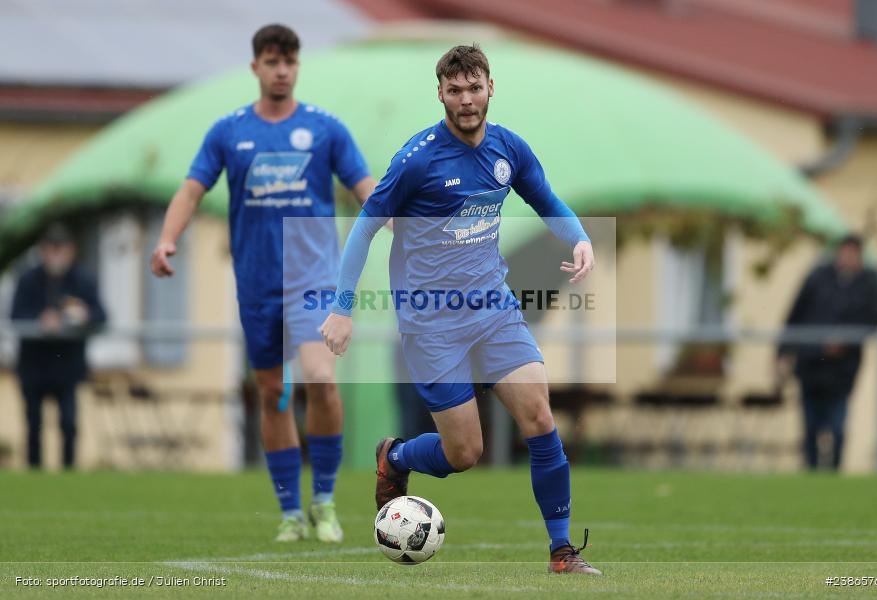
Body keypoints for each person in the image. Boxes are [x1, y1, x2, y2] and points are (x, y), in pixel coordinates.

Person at [320, 44, 602, 575]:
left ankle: (562, 552)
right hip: (432, 324)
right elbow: (364, 228)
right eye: (455, 91)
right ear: (441, 94)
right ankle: (395, 456)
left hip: (494, 310)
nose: (466, 100)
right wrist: (341, 308)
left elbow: (546, 200)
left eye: (475, 88)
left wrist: (579, 238)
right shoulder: (418, 159)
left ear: (490, 88)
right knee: (464, 453)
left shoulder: (508, 149)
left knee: (540, 417)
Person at [150, 24, 377, 543]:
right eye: (272, 62)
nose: (281, 71)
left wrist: (402, 228)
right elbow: (190, 191)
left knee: (319, 378)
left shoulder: (325, 129)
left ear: (298, 66)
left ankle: (324, 501)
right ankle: (290, 512)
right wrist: (166, 239)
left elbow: (367, 188)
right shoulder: (228, 132)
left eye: (289, 62)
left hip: (313, 278)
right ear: (256, 67)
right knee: (273, 392)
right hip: (257, 283)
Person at [777, 234, 877, 470]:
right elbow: (795, 316)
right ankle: (811, 473)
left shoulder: (869, 283)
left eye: (853, 254)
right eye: (844, 252)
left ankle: (834, 471)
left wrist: (844, 341)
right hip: (811, 363)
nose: (848, 258)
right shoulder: (817, 277)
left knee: (836, 426)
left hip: (842, 369)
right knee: (810, 427)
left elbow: (873, 321)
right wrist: (783, 352)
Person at [11, 224, 106, 470]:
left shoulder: (82, 280)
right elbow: (15, 316)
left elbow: (102, 316)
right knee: (34, 423)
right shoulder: (28, 279)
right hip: (34, 365)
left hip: (67, 366)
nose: (56, 255)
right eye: (50, 248)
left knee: (69, 422)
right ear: (42, 251)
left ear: (71, 250)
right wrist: (40, 320)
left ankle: (68, 472)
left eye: (60, 248)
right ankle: (34, 472)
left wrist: (85, 316)